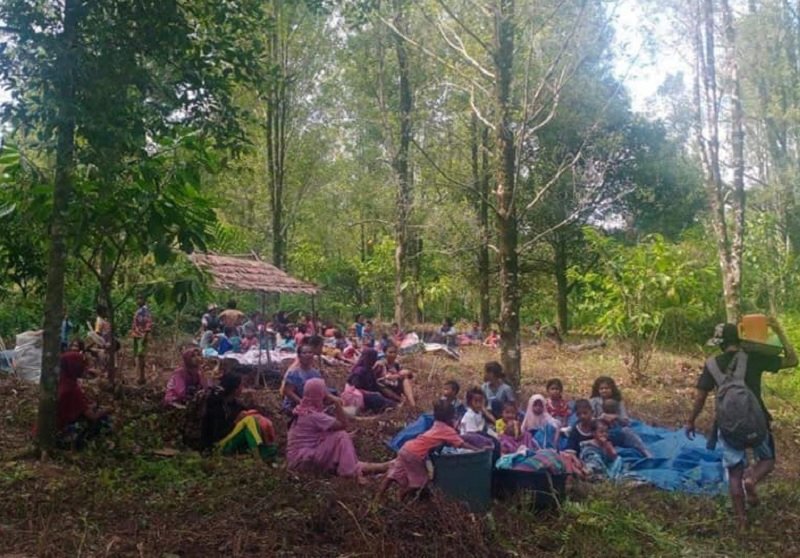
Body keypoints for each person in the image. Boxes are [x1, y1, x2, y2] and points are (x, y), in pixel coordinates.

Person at [686, 319, 797, 529]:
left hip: (727, 427)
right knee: (767, 460)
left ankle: (742, 522)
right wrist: (779, 330)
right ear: (739, 338)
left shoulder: (711, 364)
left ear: (719, 343)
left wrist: (691, 421)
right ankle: (753, 480)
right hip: (758, 422)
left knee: (734, 473)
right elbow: (792, 360)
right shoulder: (754, 358)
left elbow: (700, 398)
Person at [378, 399, 481, 500]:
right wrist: (477, 449)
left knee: (392, 474)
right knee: (421, 481)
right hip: (416, 454)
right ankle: (402, 495)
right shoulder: (448, 430)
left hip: (405, 448)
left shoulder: (436, 424)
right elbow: (461, 444)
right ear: (451, 417)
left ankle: (377, 498)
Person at [287, 378, 387, 480]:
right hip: (304, 460)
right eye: (323, 391)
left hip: (299, 458)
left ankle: (385, 466)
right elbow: (343, 425)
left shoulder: (303, 409)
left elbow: (318, 434)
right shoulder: (314, 415)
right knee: (341, 435)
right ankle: (351, 473)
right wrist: (336, 402)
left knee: (347, 456)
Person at [201, 373, 276, 461]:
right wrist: (236, 421)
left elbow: (249, 412)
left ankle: (258, 450)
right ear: (235, 389)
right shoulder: (216, 405)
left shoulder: (235, 404)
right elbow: (217, 434)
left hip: (231, 440)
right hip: (218, 445)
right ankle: (257, 457)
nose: (243, 388)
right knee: (249, 421)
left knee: (272, 449)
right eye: (241, 385)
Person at [56, 349, 109, 448]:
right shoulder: (71, 388)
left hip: (51, 429)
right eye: (81, 365)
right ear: (74, 368)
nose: (84, 368)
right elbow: (91, 416)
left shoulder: (60, 382)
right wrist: (107, 410)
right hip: (59, 433)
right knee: (101, 420)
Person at [344, 348, 396, 412]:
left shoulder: (369, 369)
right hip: (360, 396)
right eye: (374, 358)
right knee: (378, 398)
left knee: (383, 394)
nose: (375, 360)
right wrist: (372, 393)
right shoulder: (359, 371)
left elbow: (375, 385)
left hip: (368, 394)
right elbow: (355, 389)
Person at [281, 344, 323, 413]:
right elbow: (288, 392)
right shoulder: (294, 373)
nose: (308, 355)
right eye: (304, 353)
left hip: (311, 404)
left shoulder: (316, 373)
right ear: (299, 356)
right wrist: (303, 403)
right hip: (294, 405)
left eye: (310, 352)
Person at [375, 344, 416, 408]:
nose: (393, 354)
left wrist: (407, 372)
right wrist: (397, 375)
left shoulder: (396, 364)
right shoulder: (380, 364)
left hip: (394, 385)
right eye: (390, 352)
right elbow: (377, 379)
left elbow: (410, 375)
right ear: (385, 353)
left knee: (405, 379)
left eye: (395, 352)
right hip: (384, 389)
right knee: (381, 384)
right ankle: (401, 400)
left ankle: (412, 403)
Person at [131, 294, 153, 385]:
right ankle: (139, 377)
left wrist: (145, 335)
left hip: (141, 336)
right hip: (136, 335)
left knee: (140, 356)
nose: (138, 301)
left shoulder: (145, 311)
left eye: (140, 298)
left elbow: (148, 324)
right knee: (137, 356)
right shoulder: (139, 310)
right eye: (137, 298)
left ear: (144, 300)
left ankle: (141, 377)